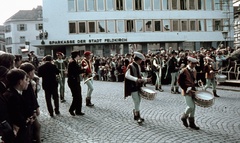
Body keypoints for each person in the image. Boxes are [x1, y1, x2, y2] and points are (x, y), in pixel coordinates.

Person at [5, 69, 34, 142]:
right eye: (25, 79)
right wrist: (27, 120)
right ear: (20, 82)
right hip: (20, 132)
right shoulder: (13, 96)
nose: (27, 82)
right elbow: (16, 115)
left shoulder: (14, 93)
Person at [124, 52, 151, 125]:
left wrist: (145, 79)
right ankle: (138, 116)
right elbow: (127, 75)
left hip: (137, 85)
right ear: (138, 59)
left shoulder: (138, 66)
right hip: (132, 86)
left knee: (138, 100)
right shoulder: (130, 66)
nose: (141, 61)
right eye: (141, 60)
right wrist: (136, 79)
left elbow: (139, 77)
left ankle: (136, 113)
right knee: (136, 100)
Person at [20, 63, 41, 143]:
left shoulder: (28, 82)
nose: (34, 74)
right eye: (33, 72)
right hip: (29, 111)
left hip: (29, 110)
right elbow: (30, 99)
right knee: (35, 127)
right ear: (29, 73)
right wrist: (35, 110)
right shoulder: (27, 84)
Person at [178, 56, 200, 130]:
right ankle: (184, 117)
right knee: (191, 106)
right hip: (186, 90)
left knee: (194, 107)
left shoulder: (194, 70)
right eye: (192, 63)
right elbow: (179, 81)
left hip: (193, 90)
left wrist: (196, 83)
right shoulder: (184, 70)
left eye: (194, 64)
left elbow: (194, 80)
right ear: (188, 63)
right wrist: (185, 88)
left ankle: (192, 123)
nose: (193, 65)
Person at [68, 50, 86, 116]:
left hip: (75, 81)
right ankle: (72, 109)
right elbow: (75, 71)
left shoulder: (74, 62)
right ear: (76, 56)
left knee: (78, 96)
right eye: (78, 55)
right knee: (76, 96)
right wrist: (83, 70)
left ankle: (78, 110)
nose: (79, 56)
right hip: (73, 81)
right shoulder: (72, 62)